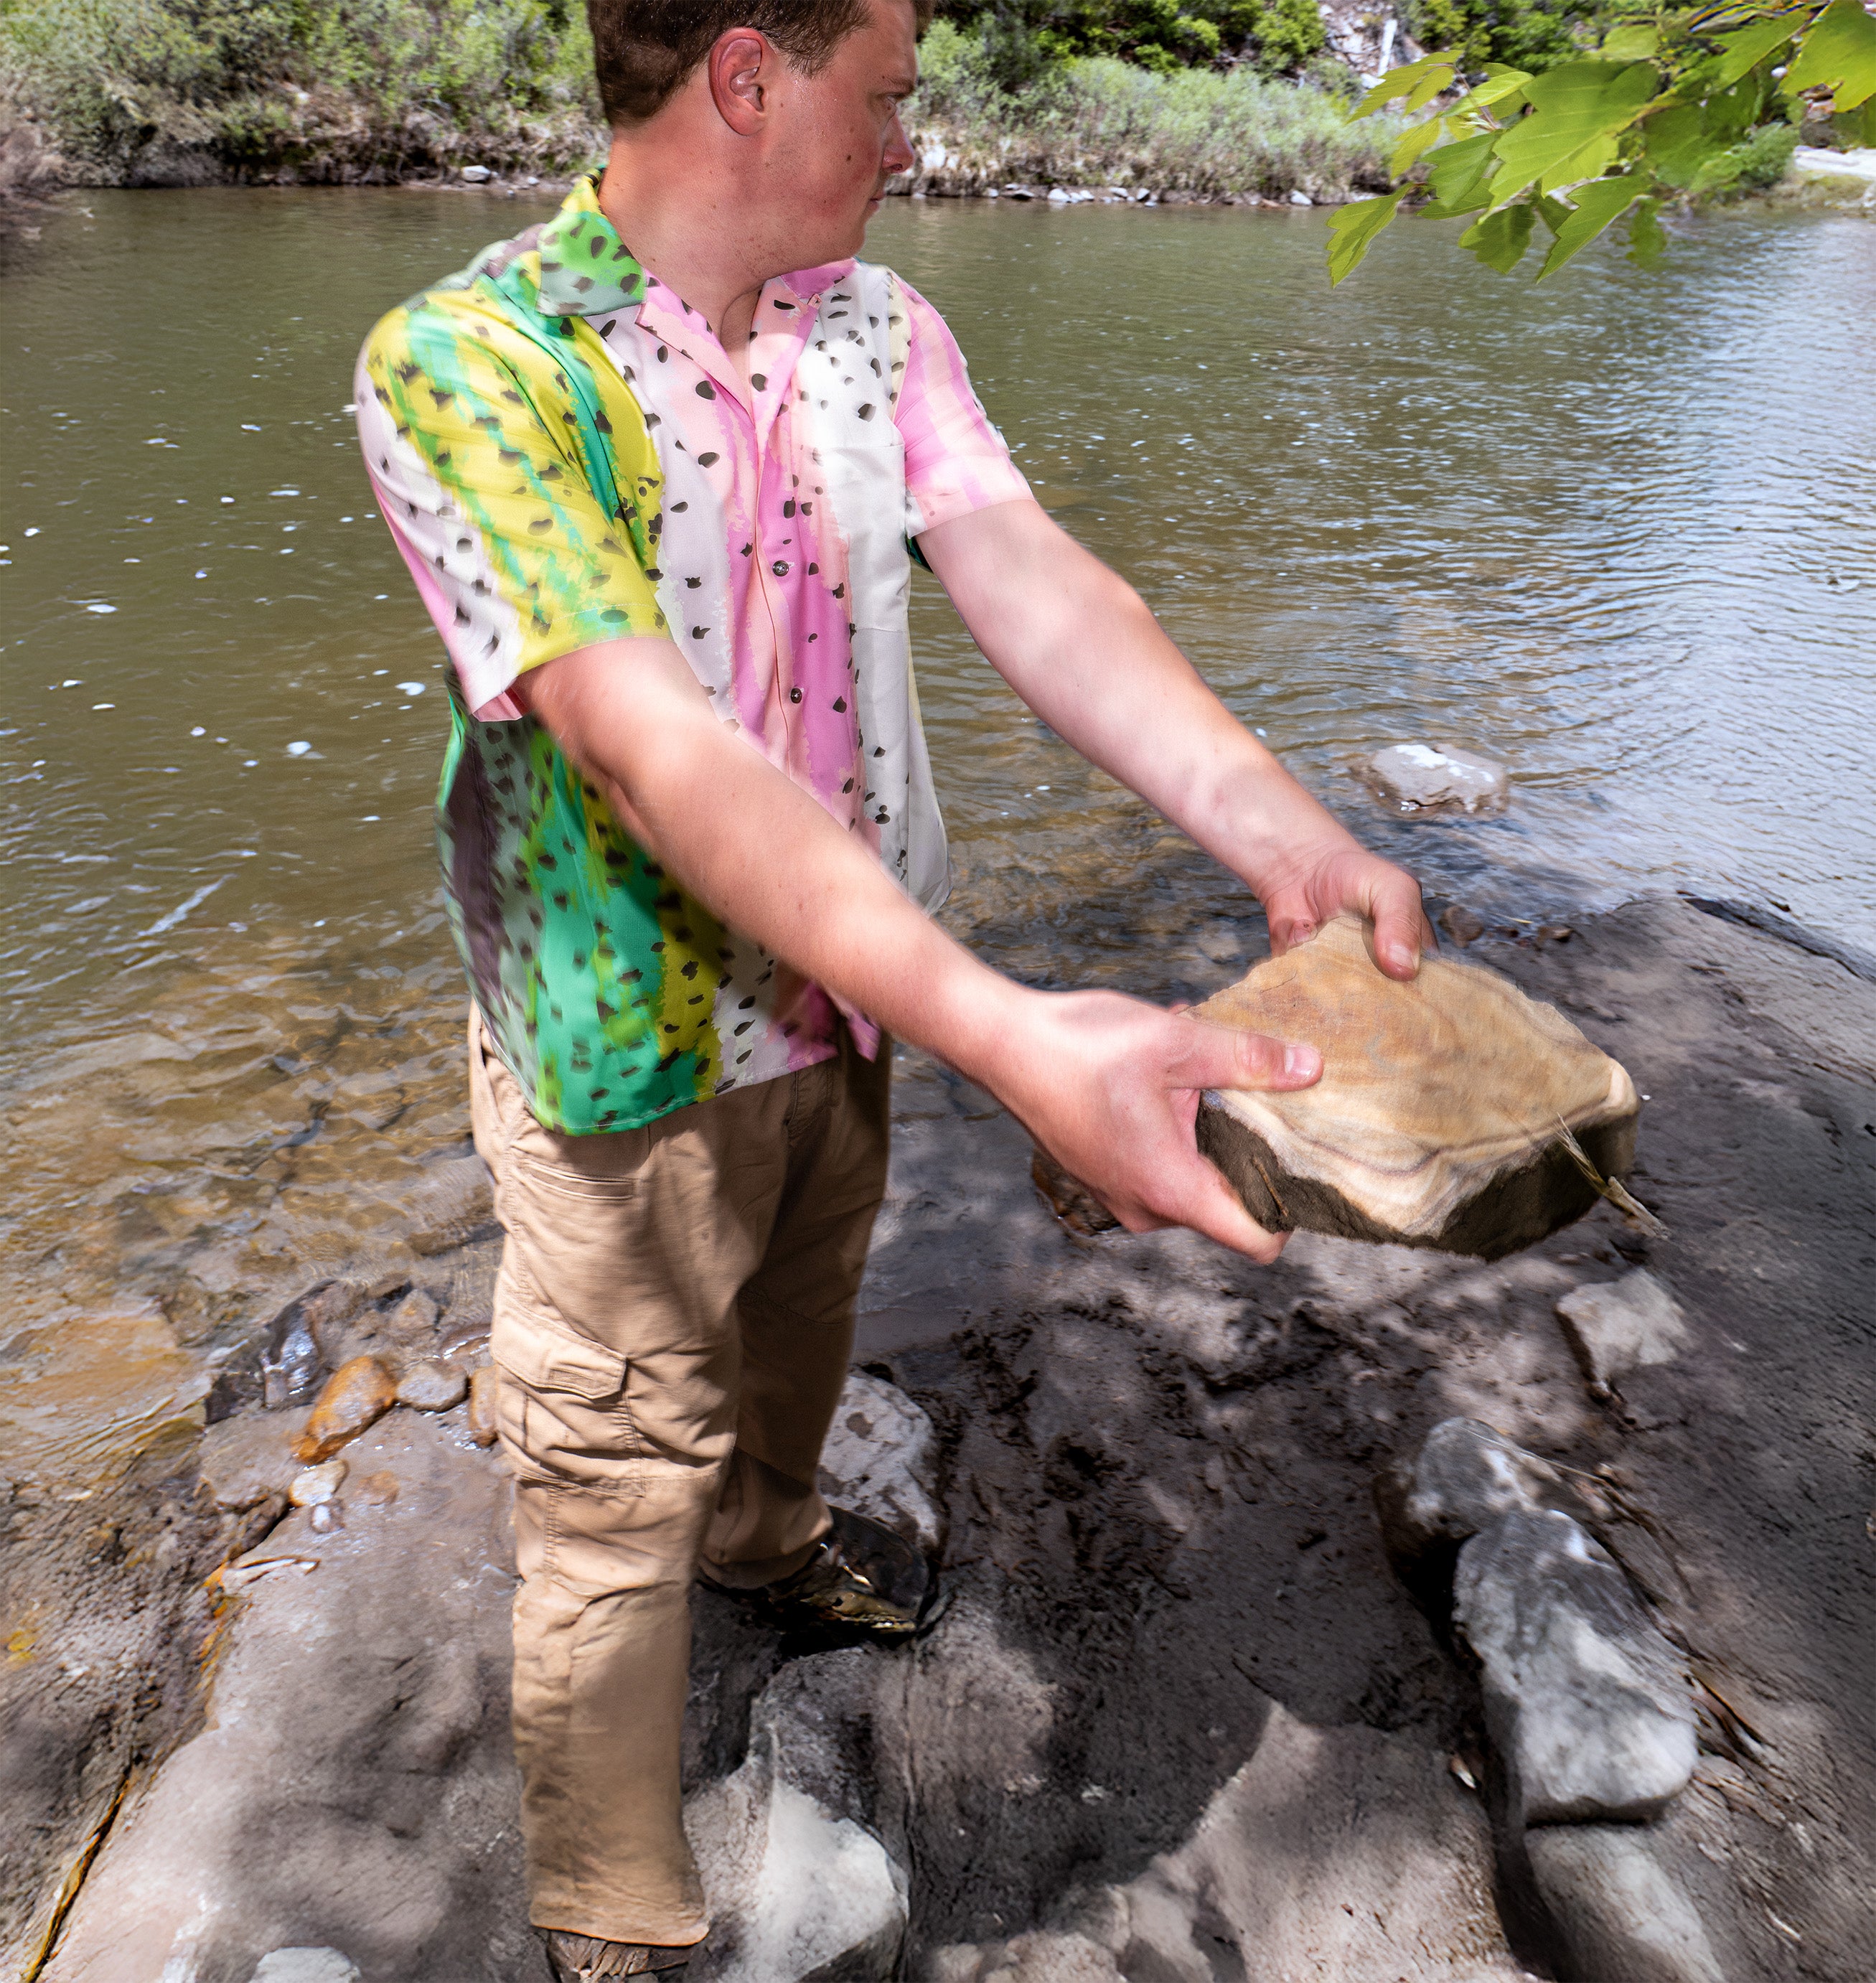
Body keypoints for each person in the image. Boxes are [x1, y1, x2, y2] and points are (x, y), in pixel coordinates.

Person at [354, 1, 1430, 1973]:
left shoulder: (875, 323)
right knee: (611, 1471)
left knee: (800, 1316)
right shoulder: (472, 360)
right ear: (747, 77)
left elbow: (1035, 580)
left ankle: (770, 1539)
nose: (913, 138)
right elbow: (648, 750)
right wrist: (1017, 1037)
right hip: (622, 1060)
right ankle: (607, 1893)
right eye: (891, 93)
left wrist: (1283, 833)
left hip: (854, 1000)